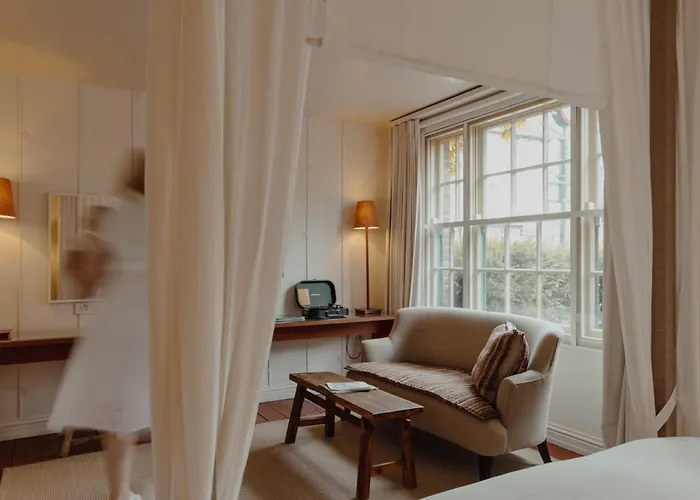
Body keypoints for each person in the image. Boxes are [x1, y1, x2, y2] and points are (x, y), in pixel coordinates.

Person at [49, 150, 148, 500]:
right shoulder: (176, 215)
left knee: (118, 416)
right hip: (157, 323)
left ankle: (119, 493)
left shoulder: (111, 214)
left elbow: (87, 281)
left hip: (117, 325)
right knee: (165, 406)